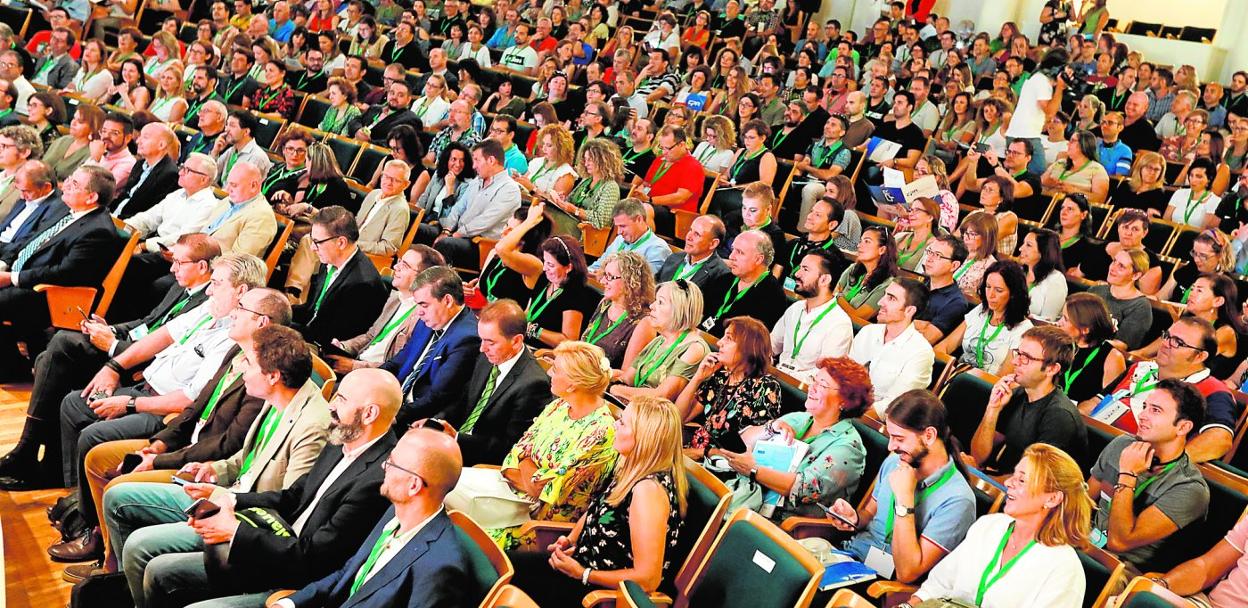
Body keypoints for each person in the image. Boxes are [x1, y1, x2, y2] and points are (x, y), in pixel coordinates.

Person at [100, 324, 332, 599]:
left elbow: (289, 502)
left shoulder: (312, 426)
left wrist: (224, 499)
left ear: (273, 376)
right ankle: (124, 589)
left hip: (245, 517)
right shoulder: (276, 395)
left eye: (249, 362)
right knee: (118, 497)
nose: (242, 368)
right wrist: (214, 469)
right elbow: (245, 459)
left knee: (141, 545)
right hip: (225, 492)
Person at [507, 395, 687, 605]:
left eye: (623, 423)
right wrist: (571, 539)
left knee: (500, 578)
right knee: (497, 565)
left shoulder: (648, 492)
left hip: (598, 594)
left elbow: (648, 579)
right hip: (580, 567)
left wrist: (584, 573)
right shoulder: (629, 467)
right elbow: (599, 508)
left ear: (643, 438)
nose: (615, 425)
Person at [274, 425, 471, 608]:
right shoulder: (392, 515)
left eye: (392, 463)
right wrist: (289, 603)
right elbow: (347, 574)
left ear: (414, 485)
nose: (383, 466)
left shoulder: (439, 569)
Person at [911, 444, 1092, 608]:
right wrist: (908, 606)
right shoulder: (989, 526)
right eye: (1014, 475)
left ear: (1052, 498)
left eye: (1021, 481)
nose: (1007, 483)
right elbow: (937, 586)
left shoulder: (1064, 568)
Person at [824, 389, 976, 583]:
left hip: (886, 584)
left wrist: (905, 498)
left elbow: (907, 572)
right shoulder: (896, 461)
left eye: (899, 438)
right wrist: (853, 517)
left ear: (929, 435)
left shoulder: (959, 500)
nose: (891, 447)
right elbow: (869, 514)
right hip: (852, 557)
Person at [492, 340, 619, 549]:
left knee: (461, 529)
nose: (549, 373)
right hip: (511, 499)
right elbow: (517, 450)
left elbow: (544, 490)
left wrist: (524, 459)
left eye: (556, 369)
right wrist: (526, 462)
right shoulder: (559, 405)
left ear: (573, 383)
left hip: (540, 527)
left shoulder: (601, 432)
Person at [0, 165, 120, 374]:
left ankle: (12, 366)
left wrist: (12, 277)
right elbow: (30, 240)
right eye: (70, 179)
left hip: (53, 295)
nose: (66, 185)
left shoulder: (98, 231)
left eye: (75, 184)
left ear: (91, 197)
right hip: (30, 277)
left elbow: (65, 273)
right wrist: (4, 264)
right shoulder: (65, 208)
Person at [716, 357, 869, 521]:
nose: (812, 388)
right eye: (813, 380)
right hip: (746, 498)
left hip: (785, 523)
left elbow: (803, 488)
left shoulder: (848, 447)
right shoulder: (800, 418)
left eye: (822, 385)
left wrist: (753, 470)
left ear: (845, 401)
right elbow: (743, 442)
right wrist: (771, 427)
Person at [1086, 379, 1210, 571]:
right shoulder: (1121, 445)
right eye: (1145, 406)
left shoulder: (1189, 488)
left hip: (1125, 571)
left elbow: (1118, 542)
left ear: (1183, 427)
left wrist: (1127, 474)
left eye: (1155, 410)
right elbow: (1083, 502)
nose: (1142, 415)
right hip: (1087, 544)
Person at [1085, 317, 1238, 464]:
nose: (1165, 344)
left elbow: (1220, 440)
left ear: (1200, 356)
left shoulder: (1214, 391)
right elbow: (1096, 402)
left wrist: (1163, 464)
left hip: (1132, 464)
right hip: (1091, 440)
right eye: (1167, 336)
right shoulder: (1140, 368)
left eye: (1178, 342)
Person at [968, 326, 1087, 473]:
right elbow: (978, 457)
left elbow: (1034, 483)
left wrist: (980, 476)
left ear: (1051, 369)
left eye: (1026, 358)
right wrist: (992, 409)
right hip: (1007, 480)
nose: (1015, 362)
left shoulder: (1059, 417)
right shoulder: (1018, 394)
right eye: (1018, 353)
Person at [382, 266, 481, 427]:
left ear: (447, 301)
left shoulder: (467, 338)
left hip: (415, 419)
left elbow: (438, 397)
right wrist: (370, 378)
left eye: (424, 305)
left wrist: (393, 417)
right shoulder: (428, 320)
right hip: (393, 399)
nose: (419, 312)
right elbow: (400, 360)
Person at [326, 247, 443, 374]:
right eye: (399, 261)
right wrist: (343, 347)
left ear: (423, 278)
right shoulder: (395, 298)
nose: (396, 267)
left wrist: (354, 366)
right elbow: (370, 336)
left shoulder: (423, 318)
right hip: (357, 362)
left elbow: (397, 366)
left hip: (374, 376)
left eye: (405, 265)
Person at [676, 317, 781, 453]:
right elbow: (679, 417)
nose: (720, 343)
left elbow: (751, 449)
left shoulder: (766, 387)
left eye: (728, 338)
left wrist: (705, 453)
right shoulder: (721, 375)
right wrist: (698, 378)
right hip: (696, 449)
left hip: (721, 463)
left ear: (747, 348)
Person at [291, 207, 388, 346]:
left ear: (341, 242)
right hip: (312, 333)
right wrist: (280, 311)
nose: (312, 247)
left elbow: (329, 336)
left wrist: (283, 325)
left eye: (317, 242)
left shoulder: (363, 285)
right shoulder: (329, 262)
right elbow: (312, 310)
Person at [434, 140, 523, 269]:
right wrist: (446, 230)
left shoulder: (509, 189)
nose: (473, 166)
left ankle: (434, 286)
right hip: (459, 234)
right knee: (425, 231)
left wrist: (455, 235)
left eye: (477, 160)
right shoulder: (477, 180)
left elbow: (484, 221)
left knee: (446, 244)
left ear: (491, 160)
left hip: (481, 244)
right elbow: (459, 208)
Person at [937, 260, 1034, 376]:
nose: (990, 295)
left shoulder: (1023, 330)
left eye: (998, 290)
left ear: (1013, 294)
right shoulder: (981, 311)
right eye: (988, 287)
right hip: (956, 375)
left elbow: (1001, 378)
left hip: (984, 387)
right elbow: (944, 346)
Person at [772, 248, 854, 383]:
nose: (797, 274)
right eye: (799, 268)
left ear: (824, 280)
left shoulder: (840, 324)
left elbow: (825, 374)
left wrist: (785, 377)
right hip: (776, 378)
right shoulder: (795, 308)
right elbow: (772, 345)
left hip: (802, 392)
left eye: (805, 269)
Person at [578, 251, 656, 369]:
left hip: (602, 383)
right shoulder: (605, 302)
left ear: (629, 281)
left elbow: (625, 374)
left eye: (610, 276)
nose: (603, 281)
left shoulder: (644, 322)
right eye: (604, 275)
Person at [700, 229, 785, 337]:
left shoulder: (773, 296)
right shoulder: (724, 279)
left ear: (758, 259)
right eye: (733, 249)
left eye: (739, 252)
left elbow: (753, 342)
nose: (731, 256)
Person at [632, 126, 706, 235]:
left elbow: (680, 198)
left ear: (681, 144)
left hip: (676, 216)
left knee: (645, 209)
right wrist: (638, 194)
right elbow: (646, 184)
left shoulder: (693, 166)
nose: (664, 152)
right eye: (662, 147)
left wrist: (650, 199)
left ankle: (644, 247)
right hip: (652, 205)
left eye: (668, 148)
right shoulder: (659, 160)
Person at [1056, 293, 1129, 404]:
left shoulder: (1112, 358)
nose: (1059, 323)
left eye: (1065, 319)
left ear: (1086, 329)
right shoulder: (1060, 344)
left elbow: (1109, 403)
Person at [109, 122, 182, 220]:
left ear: (161, 145)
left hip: (130, 223)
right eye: (139, 137)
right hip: (114, 215)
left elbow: (150, 212)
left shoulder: (169, 174)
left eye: (145, 137)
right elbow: (126, 195)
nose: (138, 141)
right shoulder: (140, 164)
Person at [548, 138, 622, 233]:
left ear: (603, 160)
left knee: (548, 222)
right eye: (585, 159)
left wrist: (575, 210)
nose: (586, 164)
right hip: (570, 222)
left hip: (586, 232)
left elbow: (601, 221)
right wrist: (562, 200)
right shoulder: (586, 180)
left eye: (590, 160)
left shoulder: (611, 187)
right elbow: (570, 202)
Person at [1088, 248, 1155, 350]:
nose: (1112, 268)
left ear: (1136, 275)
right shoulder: (1096, 290)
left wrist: (1085, 340)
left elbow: (1121, 344)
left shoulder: (1140, 306)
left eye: (1121, 266)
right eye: (1114, 261)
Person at [916, 234, 973, 344]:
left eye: (938, 255)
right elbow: (884, 319)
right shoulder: (918, 284)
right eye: (930, 252)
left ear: (954, 265)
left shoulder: (956, 303)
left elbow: (925, 339)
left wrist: (903, 320)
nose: (929, 259)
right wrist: (920, 324)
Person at [589, 199, 672, 275]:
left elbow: (643, 284)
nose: (619, 232)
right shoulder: (620, 239)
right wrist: (589, 272)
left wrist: (604, 274)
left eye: (623, 226)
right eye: (617, 226)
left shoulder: (658, 249)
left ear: (639, 219)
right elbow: (598, 265)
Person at [656, 214, 731, 293]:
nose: (688, 237)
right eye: (690, 230)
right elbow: (654, 285)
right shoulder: (674, 258)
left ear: (713, 244)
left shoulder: (721, 276)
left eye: (697, 234)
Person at [835, 225, 898, 318]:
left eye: (867, 241)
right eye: (861, 241)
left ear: (882, 250)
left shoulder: (887, 285)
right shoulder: (853, 268)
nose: (859, 245)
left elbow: (858, 316)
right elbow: (833, 294)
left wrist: (838, 296)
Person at [1158, 230, 1236, 304]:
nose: (1196, 260)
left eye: (1203, 256)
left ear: (1220, 255)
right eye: (1194, 253)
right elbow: (1160, 297)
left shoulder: (1225, 284)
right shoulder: (1189, 269)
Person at [1020, 229, 1068, 323]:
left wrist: (1026, 317)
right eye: (1023, 243)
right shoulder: (1018, 272)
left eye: (1028, 245)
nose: (1021, 248)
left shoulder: (1056, 280)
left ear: (1043, 251)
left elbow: (1047, 322)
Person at [1165, 158, 1222, 229]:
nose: (1193, 180)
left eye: (1199, 176)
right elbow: (1165, 221)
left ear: (1209, 179)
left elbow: (1204, 231)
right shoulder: (1179, 193)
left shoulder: (1215, 201)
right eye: (1191, 175)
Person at [954, 211, 1000, 297]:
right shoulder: (957, 252)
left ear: (986, 238)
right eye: (965, 232)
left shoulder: (991, 266)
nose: (966, 237)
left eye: (972, 234)